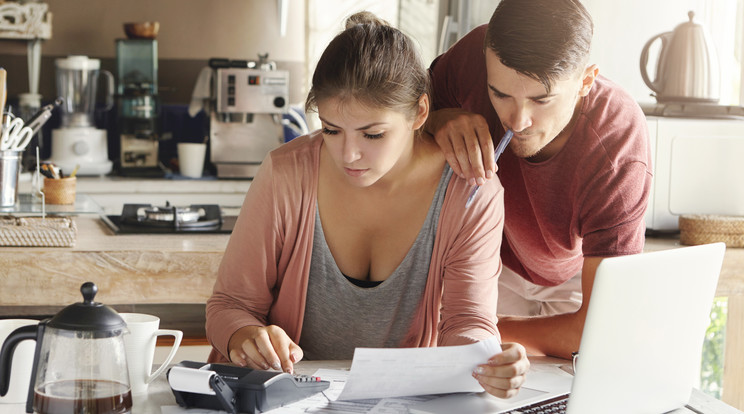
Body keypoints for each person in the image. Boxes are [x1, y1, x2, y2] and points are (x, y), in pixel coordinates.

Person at [205, 11, 529, 399]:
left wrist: (486, 363)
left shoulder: (470, 192)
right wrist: (247, 334)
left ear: (420, 113)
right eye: (331, 130)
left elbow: (468, 320)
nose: (349, 155)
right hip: (280, 399)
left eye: (372, 134)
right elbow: (229, 305)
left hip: (399, 403)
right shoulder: (286, 174)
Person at [425, 0, 652, 359]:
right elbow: (403, 112)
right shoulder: (472, 55)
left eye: (541, 99)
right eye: (499, 94)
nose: (516, 121)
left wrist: (480, 330)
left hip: (574, 281)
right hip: (484, 260)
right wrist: (436, 121)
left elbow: (600, 328)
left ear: (585, 81)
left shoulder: (618, 144)